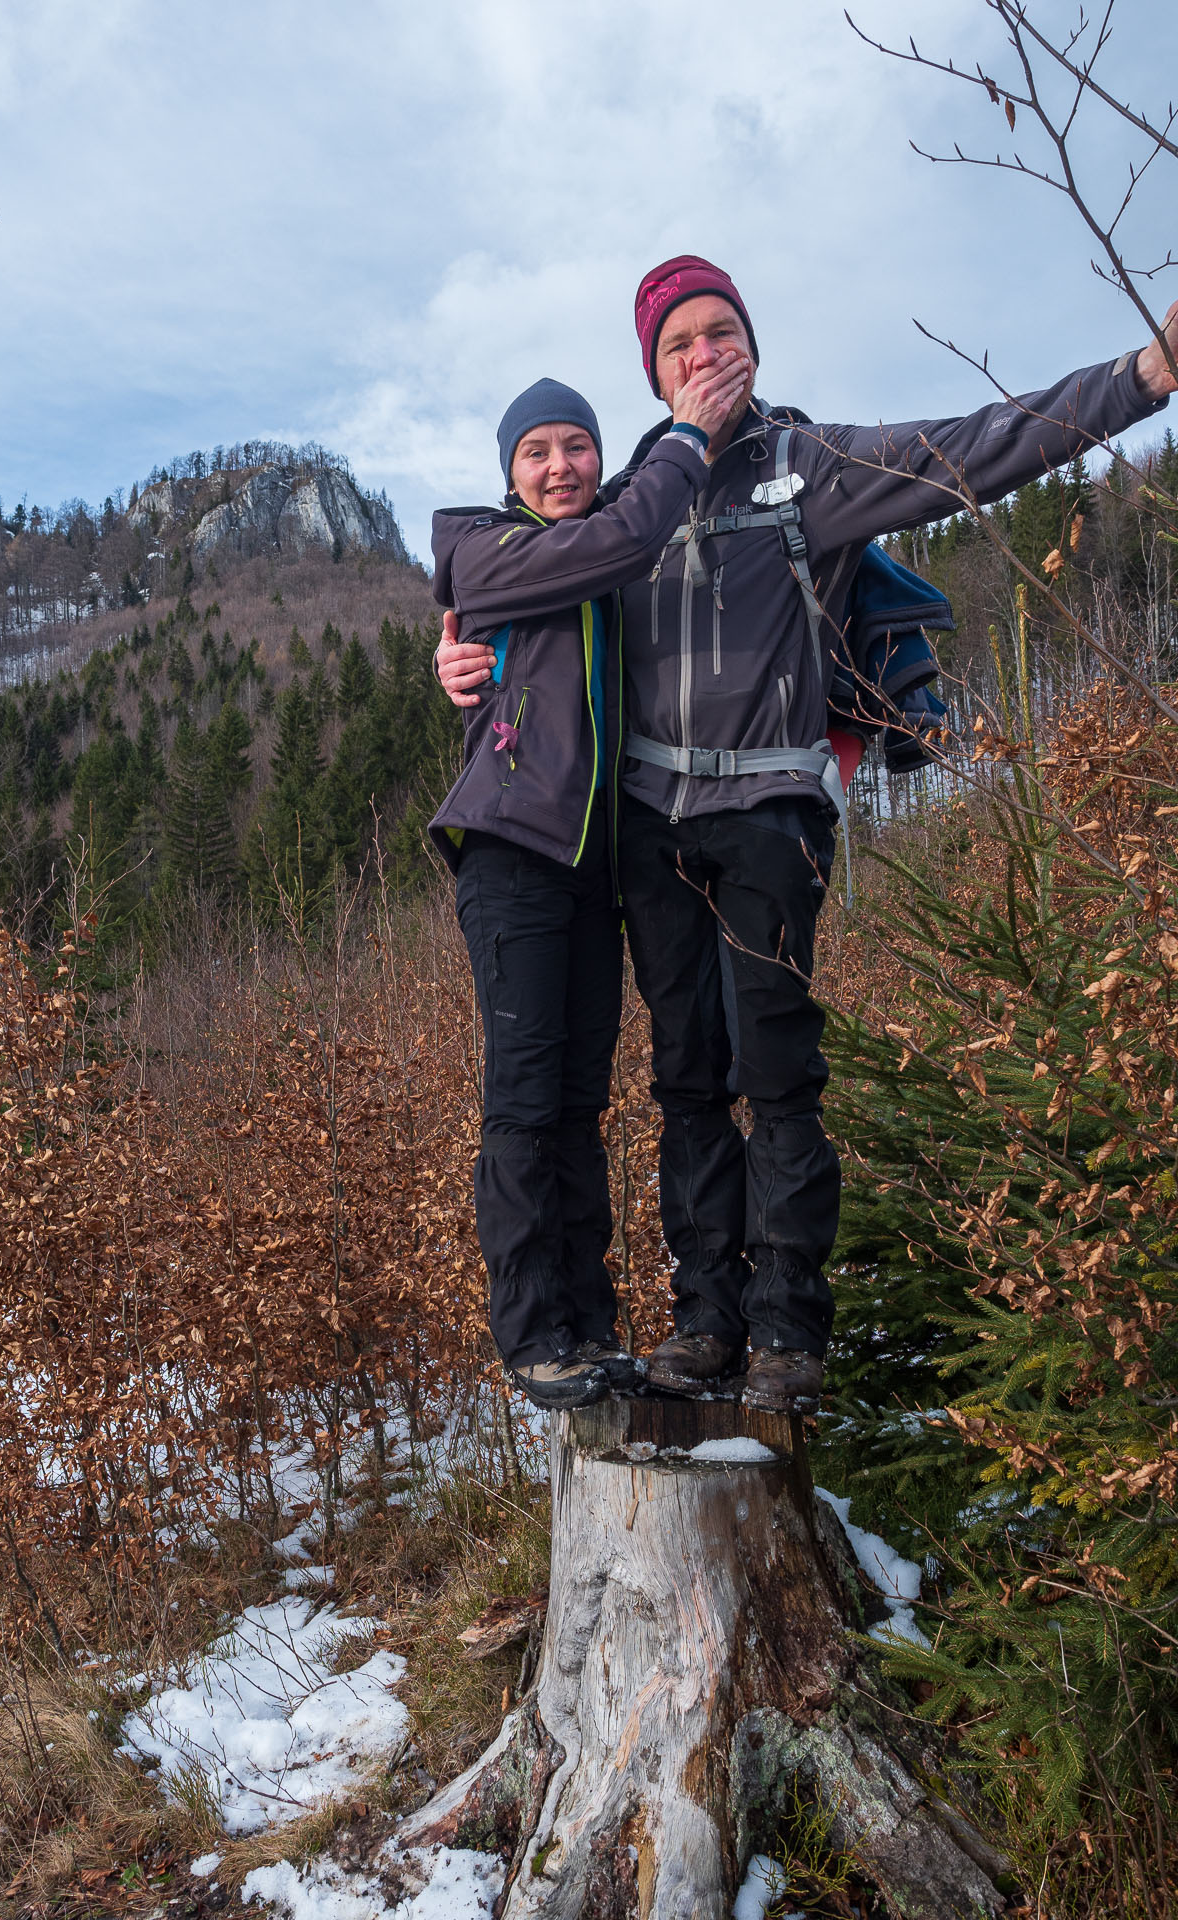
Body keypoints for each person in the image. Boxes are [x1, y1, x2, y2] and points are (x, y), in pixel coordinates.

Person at [437, 255, 1178, 1415]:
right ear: (652, 369)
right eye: (677, 343)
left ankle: (785, 1330)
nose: (703, 355)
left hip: (768, 816)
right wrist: (457, 656)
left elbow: (974, 444)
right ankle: (702, 1324)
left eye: (720, 331)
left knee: (776, 1075)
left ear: (753, 344)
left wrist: (1139, 376)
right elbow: (534, 598)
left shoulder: (810, 466)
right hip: (646, 832)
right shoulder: (636, 487)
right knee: (683, 1081)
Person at [430, 355, 748, 1410]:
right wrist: (687, 439)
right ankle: (530, 1335)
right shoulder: (484, 546)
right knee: (523, 1102)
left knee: (575, 1104)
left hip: (592, 871)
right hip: (511, 852)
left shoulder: (601, 554)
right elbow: (621, 534)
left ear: (599, 457)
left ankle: (587, 1326)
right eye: (537, 450)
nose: (559, 465)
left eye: (576, 446)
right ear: (508, 470)